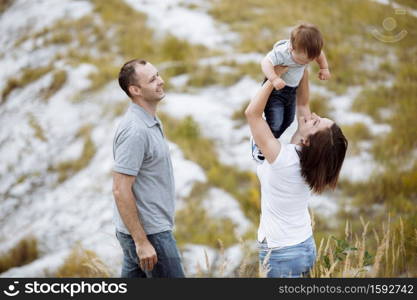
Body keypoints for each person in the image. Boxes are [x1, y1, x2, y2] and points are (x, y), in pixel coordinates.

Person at [245, 66, 348, 278]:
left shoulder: (283, 159)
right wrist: (302, 67)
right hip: (304, 246)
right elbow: (302, 104)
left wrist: (274, 78)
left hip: (281, 253)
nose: (314, 115)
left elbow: (252, 114)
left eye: (317, 121)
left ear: (308, 141)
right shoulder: (314, 162)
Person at [112, 59, 185, 278]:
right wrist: (141, 241)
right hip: (151, 234)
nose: (161, 81)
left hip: (147, 231)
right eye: (152, 79)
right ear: (135, 90)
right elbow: (120, 189)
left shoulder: (149, 120)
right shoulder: (135, 130)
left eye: (158, 75)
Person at [252, 23, 331, 163]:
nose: (304, 63)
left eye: (309, 61)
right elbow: (265, 62)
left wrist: (324, 68)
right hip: (276, 90)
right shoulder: (282, 52)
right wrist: (274, 78)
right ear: (291, 48)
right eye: (302, 60)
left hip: (291, 90)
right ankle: (259, 143)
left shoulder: (309, 52)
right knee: (276, 122)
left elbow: (319, 55)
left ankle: (270, 136)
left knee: (288, 120)